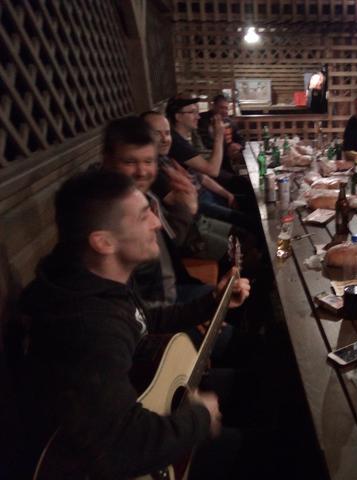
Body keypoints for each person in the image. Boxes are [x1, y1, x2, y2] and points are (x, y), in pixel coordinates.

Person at [17, 169, 250, 478]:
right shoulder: (87, 326)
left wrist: (211, 303)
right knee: (255, 448)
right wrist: (200, 417)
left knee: (248, 380)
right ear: (104, 242)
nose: (157, 222)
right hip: (119, 458)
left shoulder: (97, 281)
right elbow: (121, 447)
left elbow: (142, 320)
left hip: (130, 414)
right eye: (143, 216)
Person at [102, 116, 230, 306]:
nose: (142, 171)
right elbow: (176, 239)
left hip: (170, 289)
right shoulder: (109, 209)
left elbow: (169, 240)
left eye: (148, 161)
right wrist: (187, 209)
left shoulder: (146, 195)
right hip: (158, 305)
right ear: (108, 160)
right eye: (129, 162)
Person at [166, 97, 255, 232]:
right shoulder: (176, 143)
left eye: (197, 112)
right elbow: (213, 170)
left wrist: (227, 194)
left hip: (206, 191)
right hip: (198, 202)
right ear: (178, 117)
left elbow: (201, 176)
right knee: (250, 220)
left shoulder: (182, 139)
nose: (198, 116)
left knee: (251, 201)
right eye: (192, 112)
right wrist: (219, 135)